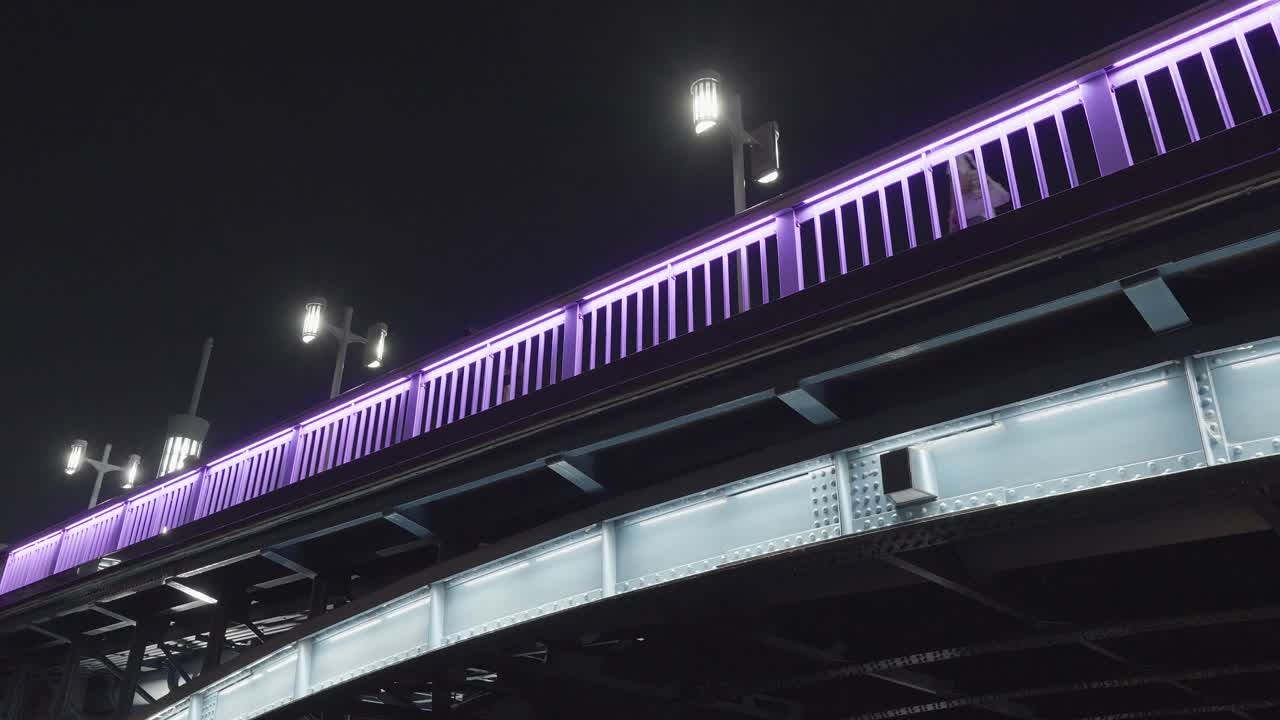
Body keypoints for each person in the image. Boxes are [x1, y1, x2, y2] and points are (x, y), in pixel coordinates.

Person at [948, 151, 1012, 232]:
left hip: (977, 214)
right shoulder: (960, 157)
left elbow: (955, 190)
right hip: (977, 216)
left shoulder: (963, 156)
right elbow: (959, 186)